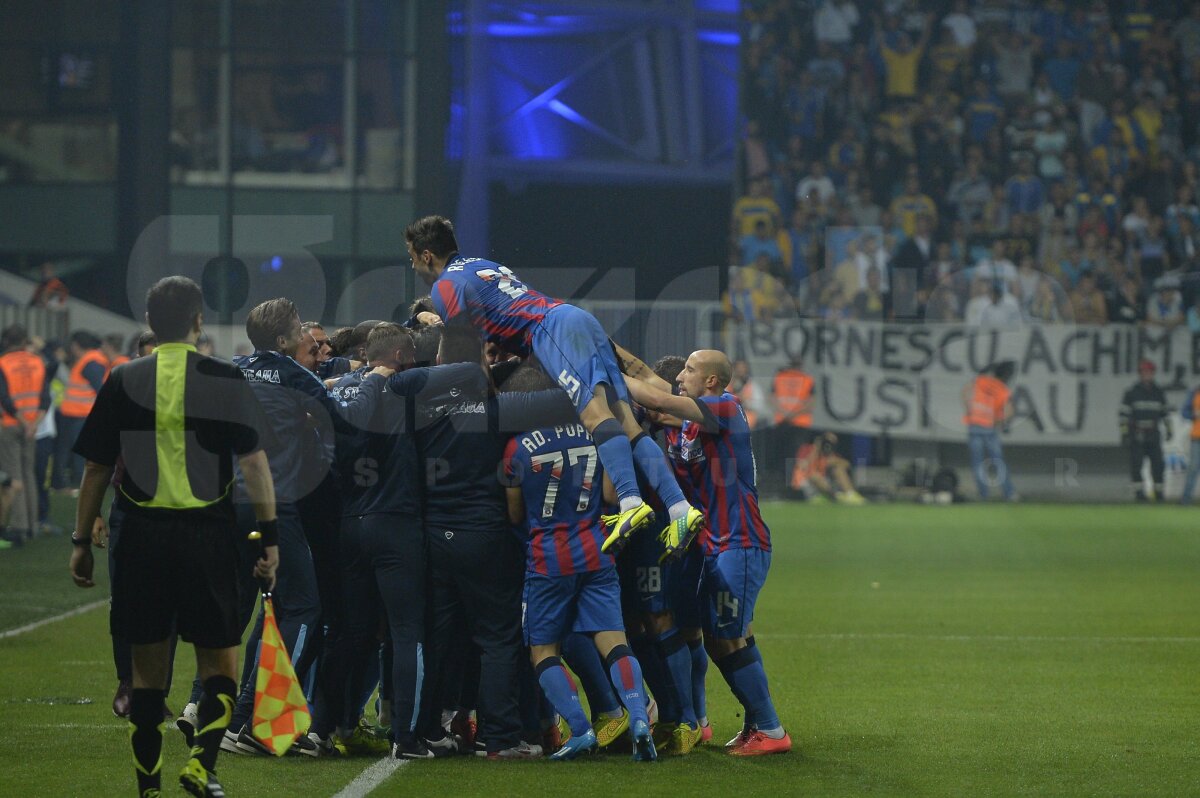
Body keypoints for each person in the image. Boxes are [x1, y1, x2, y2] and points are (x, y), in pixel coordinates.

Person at [68, 275, 279, 798]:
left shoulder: (122, 378)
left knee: (147, 672)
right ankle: (201, 767)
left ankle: (149, 786)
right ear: (198, 320)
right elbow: (254, 463)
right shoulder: (225, 377)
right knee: (220, 664)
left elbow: (96, 467)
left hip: (141, 536)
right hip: (208, 537)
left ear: (148, 322)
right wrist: (269, 536)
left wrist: (80, 540)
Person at [405, 215, 702, 557]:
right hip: (573, 319)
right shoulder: (482, 264)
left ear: (426, 255)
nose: (413, 265)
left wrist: (486, 390)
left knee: (594, 417)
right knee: (628, 424)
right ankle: (679, 508)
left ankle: (631, 502)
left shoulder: (444, 286)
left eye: (412, 256)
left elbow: (467, 349)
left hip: (552, 332)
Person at [622, 349, 792, 757]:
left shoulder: (726, 409)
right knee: (722, 635)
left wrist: (598, 374)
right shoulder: (691, 426)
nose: (681, 376)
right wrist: (607, 350)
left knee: (726, 638)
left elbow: (659, 399)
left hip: (740, 542)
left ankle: (771, 729)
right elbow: (654, 389)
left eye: (690, 370)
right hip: (713, 545)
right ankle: (753, 723)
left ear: (711, 382)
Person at [503, 370, 658, 762]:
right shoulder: (598, 434)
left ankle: (580, 729)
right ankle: (639, 718)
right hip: (597, 551)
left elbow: (515, 513)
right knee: (614, 641)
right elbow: (609, 494)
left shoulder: (516, 447)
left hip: (548, 558)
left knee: (542, 649)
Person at [0, 325, 49, 543]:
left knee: (15, 477)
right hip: (32, 425)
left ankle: (19, 527)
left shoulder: (3, 363)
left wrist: (22, 421)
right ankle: (32, 525)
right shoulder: (37, 361)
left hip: (10, 425)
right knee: (29, 475)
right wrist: (32, 423)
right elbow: (45, 399)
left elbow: (6, 400)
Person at [54, 331, 108, 492]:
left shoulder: (90, 362)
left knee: (75, 451)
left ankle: (78, 482)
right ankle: (72, 481)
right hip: (77, 414)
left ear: (77, 345)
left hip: (79, 415)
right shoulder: (92, 360)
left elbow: (100, 389)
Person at [962, 361, 1017, 501]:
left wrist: (969, 409)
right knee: (998, 462)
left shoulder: (981, 381)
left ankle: (983, 494)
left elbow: (965, 391)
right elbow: (1010, 411)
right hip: (990, 429)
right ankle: (1009, 493)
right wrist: (999, 421)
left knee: (978, 463)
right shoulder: (1004, 390)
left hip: (974, 426)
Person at [1120, 360, 1169, 502]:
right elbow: (1123, 415)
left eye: (1149, 372)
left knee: (1158, 465)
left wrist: (1169, 429)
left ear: (1152, 374)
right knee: (1136, 465)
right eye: (1144, 372)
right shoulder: (1132, 393)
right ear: (1140, 374)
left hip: (1153, 433)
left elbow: (1165, 413)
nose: (1146, 375)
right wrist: (1125, 433)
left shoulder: (1158, 393)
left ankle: (1159, 493)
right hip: (1137, 433)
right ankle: (1139, 493)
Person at [789, 431, 866, 504]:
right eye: (827, 441)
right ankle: (836, 497)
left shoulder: (829, 454)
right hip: (806, 483)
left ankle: (850, 494)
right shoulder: (806, 448)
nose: (828, 444)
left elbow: (847, 464)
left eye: (832, 442)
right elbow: (803, 466)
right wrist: (816, 450)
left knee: (838, 469)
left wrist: (830, 461)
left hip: (825, 485)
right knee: (814, 475)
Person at [1180, 381, 1200, 504]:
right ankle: (1186, 500)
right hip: (1197, 436)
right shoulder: (1195, 391)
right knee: (1193, 468)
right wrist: (1194, 414)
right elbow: (1184, 412)